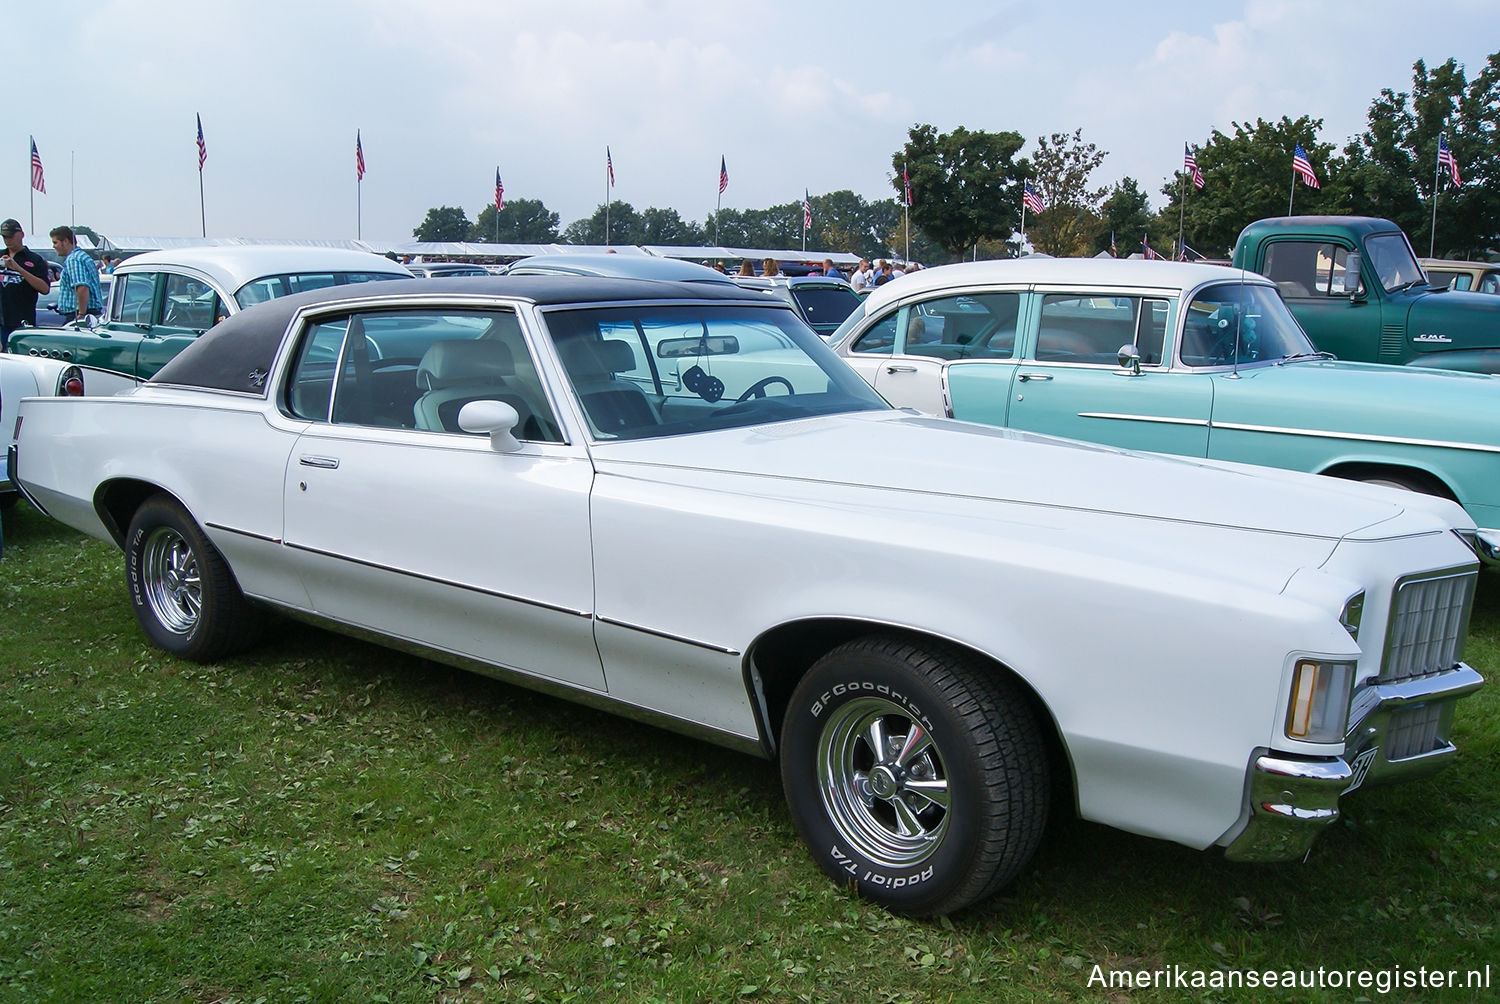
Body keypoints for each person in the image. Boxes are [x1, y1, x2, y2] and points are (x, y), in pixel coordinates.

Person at [2, 219, 52, 350]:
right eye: (4, 237)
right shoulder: (1, 255)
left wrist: (19, 269)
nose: (8, 240)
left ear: (21, 235)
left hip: (22, 321)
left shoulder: (34, 260)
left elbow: (45, 289)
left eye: (11, 236)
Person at [49, 225, 105, 324]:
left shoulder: (73, 259)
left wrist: (81, 314)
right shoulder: (82, 256)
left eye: (55, 242)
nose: (53, 246)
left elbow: (82, 286)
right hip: (89, 312)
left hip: (79, 314)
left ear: (65, 241)